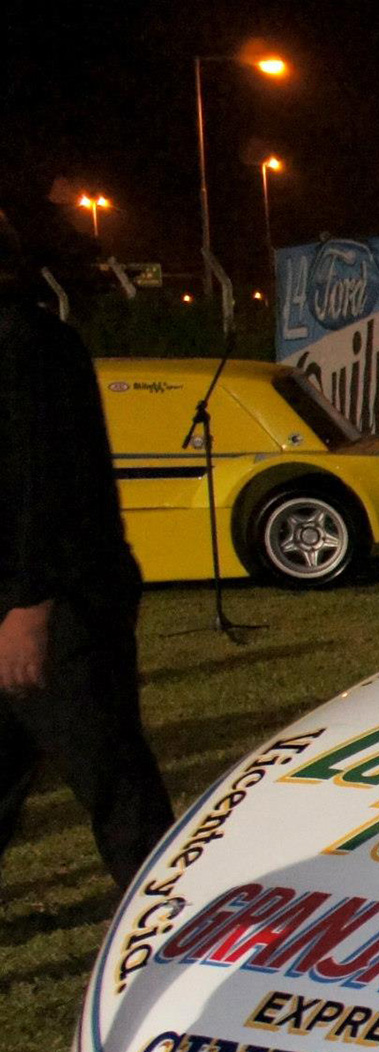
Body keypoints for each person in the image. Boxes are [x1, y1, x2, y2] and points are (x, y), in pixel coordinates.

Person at [0, 210, 173, 897]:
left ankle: (165, 918)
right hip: (35, 597)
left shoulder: (26, 345)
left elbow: (39, 484)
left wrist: (27, 604)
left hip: (57, 603)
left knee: (112, 775)